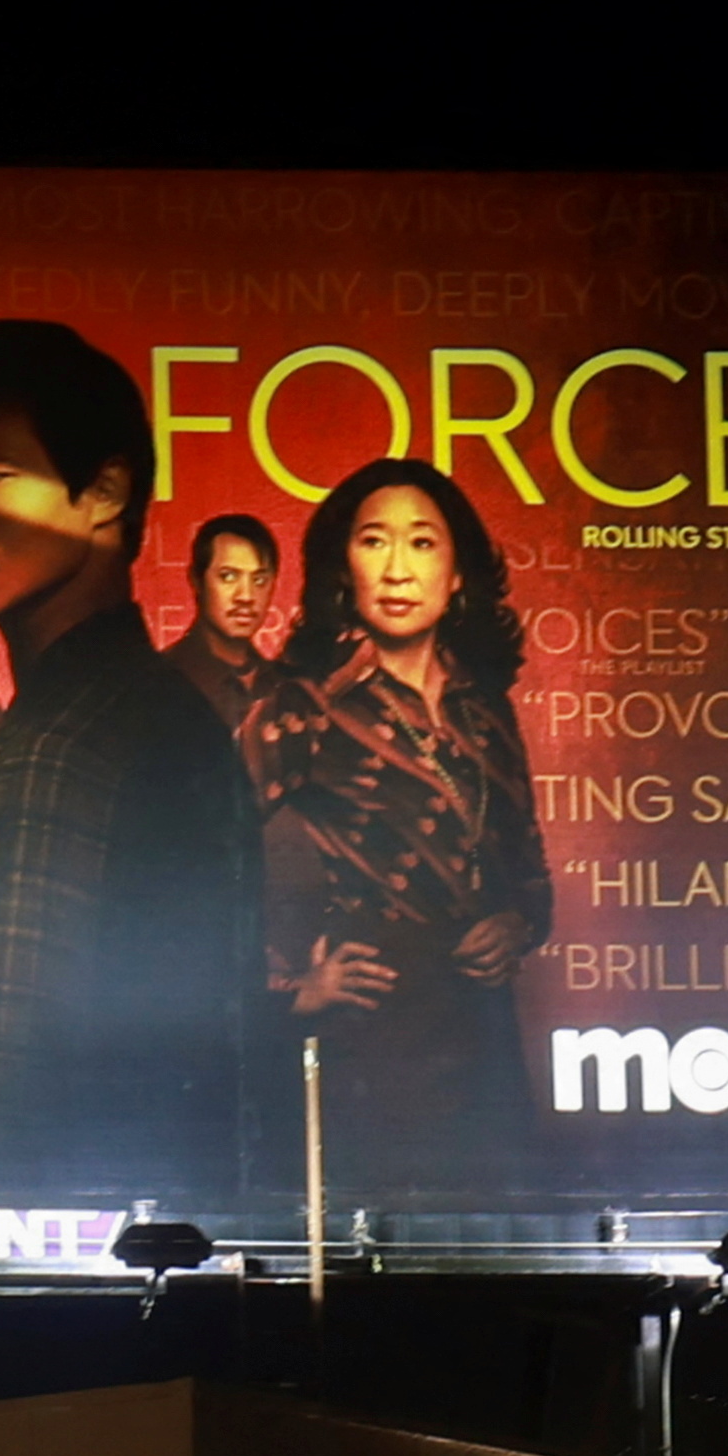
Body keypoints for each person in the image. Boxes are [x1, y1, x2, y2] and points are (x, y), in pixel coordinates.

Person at [0, 318, 259, 1197]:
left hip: (60, 1262)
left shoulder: (67, 741)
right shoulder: (157, 707)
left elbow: (5, 1070)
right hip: (165, 1237)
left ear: (103, 492)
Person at [241, 454, 551, 1186]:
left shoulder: (486, 706)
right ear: (343, 571)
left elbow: (528, 869)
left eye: (423, 542)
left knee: (495, 1245)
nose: (399, 569)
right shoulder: (305, 703)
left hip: (482, 1027)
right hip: (371, 1036)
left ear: (459, 572)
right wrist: (287, 987)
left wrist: (516, 924)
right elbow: (191, 853)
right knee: (375, 1255)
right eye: (374, 541)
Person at [162, 512, 278, 730]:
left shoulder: (284, 686)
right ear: (196, 580)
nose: (246, 596)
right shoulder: (160, 681)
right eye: (228, 576)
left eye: (259, 580)